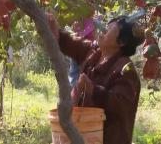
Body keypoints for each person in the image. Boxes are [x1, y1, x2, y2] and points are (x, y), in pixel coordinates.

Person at [48, 15, 144, 144]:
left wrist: (93, 90)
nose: (103, 30)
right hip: (86, 133)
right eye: (106, 26)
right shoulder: (94, 53)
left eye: (109, 29)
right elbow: (71, 43)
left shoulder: (125, 70)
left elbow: (120, 104)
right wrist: (54, 28)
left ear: (121, 42)